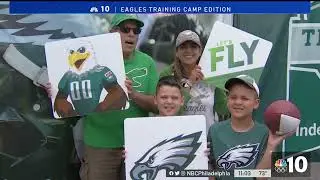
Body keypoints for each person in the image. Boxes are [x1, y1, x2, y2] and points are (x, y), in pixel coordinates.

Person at [80, 14, 159, 180]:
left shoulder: (148, 62)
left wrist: (133, 95)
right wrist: (58, 92)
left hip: (137, 145)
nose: (131, 34)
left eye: (136, 30)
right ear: (112, 33)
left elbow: (156, 105)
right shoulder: (91, 61)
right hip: (100, 145)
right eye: (125, 29)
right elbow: (74, 95)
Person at [207, 75, 294, 180]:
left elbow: (261, 177)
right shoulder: (214, 130)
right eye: (233, 97)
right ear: (228, 99)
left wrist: (271, 146)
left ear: (256, 103)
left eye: (245, 98)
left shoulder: (265, 133)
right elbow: (211, 172)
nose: (238, 102)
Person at [160, 30, 229, 132]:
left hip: (207, 139)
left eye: (193, 46)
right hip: (176, 137)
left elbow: (222, 109)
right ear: (177, 52)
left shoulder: (211, 72)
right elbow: (166, 110)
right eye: (183, 47)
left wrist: (228, 87)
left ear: (200, 51)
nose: (189, 50)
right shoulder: (167, 74)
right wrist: (190, 83)